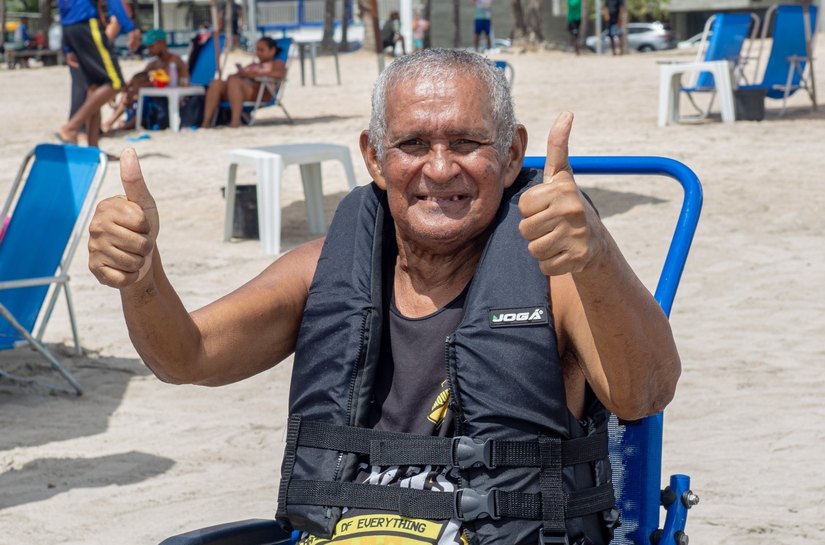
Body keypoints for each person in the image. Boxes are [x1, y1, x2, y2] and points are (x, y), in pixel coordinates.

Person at [88, 49, 680, 545]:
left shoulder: (560, 275)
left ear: (510, 155)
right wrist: (142, 277)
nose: (441, 168)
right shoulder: (325, 267)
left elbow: (645, 394)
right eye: (414, 143)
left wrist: (598, 255)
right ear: (374, 156)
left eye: (469, 142)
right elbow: (185, 355)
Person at [57, 0, 139, 144]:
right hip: (87, 26)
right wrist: (131, 28)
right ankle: (71, 127)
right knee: (116, 83)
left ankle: (93, 149)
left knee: (94, 88)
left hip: (70, 29)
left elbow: (62, 7)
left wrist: (67, 46)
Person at [102, 28, 189, 133]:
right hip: (157, 97)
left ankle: (118, 122)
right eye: (148, 46)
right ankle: (113, 121)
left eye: (151, 46)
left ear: (162, 43)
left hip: (171, 100)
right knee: (134, 85)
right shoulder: (153, 63)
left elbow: (167, 80)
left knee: (137, 89)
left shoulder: (175, 61)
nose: (149, 49)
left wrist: (136, 88)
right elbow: (137, 78)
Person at [200, 36, 286, 128]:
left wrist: (252, 74)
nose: (258, 53)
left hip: (259, 92)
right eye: (257, 50)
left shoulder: (277, 64)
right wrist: (241, 74)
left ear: (272, 50)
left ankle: (235, 121)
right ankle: (206, 123)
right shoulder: (253, 64)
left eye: (261, 50)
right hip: (239, 89)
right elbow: (234, 76)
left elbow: (280, 74)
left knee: (235, 83)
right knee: (216, 83)